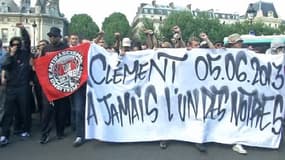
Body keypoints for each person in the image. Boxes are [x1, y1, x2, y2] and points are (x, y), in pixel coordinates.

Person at [0, 23, 33, 147]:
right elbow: (4, 66)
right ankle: (4, 134)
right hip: (11, 87)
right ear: (10, 46)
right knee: (8, 111)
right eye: (13, 44)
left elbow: (27, 41)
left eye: (17, 44)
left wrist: (23, 30)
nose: (16, 46)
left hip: (23, 86)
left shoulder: (25, 53)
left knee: (24, 109)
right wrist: (11, 55)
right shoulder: (8, 56)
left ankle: (25, 129)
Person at [39, 27, 70, 144]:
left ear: (59, 37)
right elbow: (41, 64)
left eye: (54, 36)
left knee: (61, 110)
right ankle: (44, 134)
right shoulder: (45, 49)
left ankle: (60, 132)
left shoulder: (65, 47)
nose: (51, 38)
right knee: (47, 111)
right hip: (48, 85)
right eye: (50, 36)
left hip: (61, 83)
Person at [226, 33, 248, 155]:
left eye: (240, 42)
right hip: (225, 92)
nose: (241, 44)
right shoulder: (223, 53)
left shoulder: (246, 54)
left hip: (239, 91)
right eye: (238, 42)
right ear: (232, 44)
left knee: (238, 115)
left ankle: (237, 141)